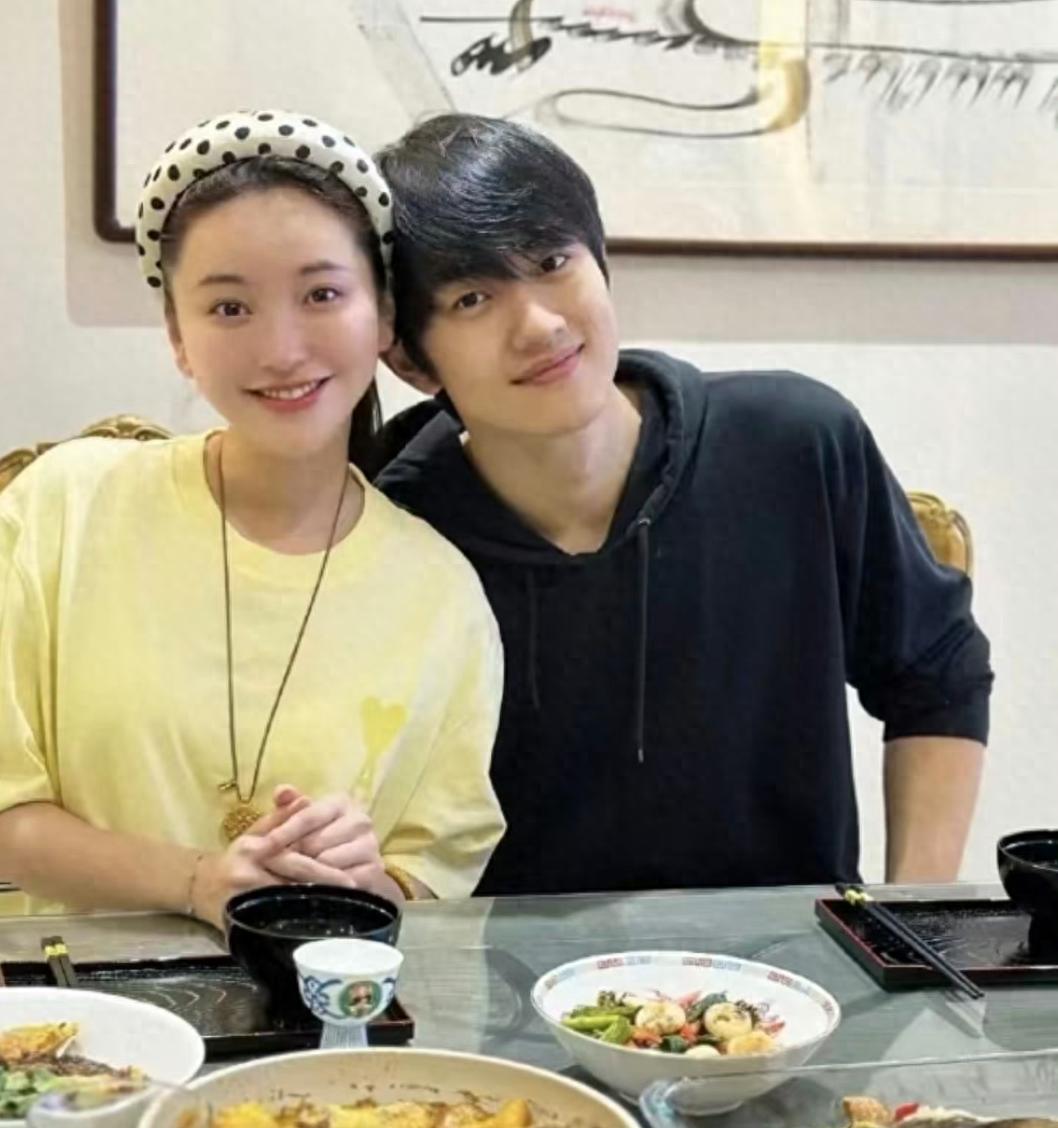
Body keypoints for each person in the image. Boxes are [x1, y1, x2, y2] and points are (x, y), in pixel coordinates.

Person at [372, 113, 992, 897]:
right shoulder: (388, 526)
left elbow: (937, 672)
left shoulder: (794, 443)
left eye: (553, 261)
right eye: (471, 299)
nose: (539, 324)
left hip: (788, 958)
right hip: (499, 963)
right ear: (409, 358)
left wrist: (911, 918)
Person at [0, 110, 505, 927]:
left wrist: (364, 877)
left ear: (382, 315)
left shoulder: (441, 593)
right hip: (71, 991)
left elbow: (428, 875)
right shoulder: (64, 506)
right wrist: (199, 879)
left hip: (314, 993)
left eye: (321, 294)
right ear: (178, 336)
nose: (281, 349)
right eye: (230, 308)